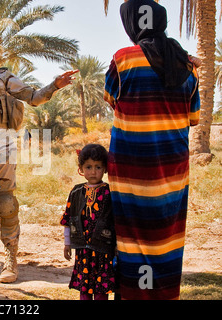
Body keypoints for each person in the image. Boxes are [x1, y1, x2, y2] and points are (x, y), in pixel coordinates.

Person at [0, 19, 79, 283]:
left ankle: (10, 260)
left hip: (2, 144)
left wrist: (54, 85)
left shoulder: (2, 76)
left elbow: (34, 97)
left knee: (6, 203)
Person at [104, 0, 200, 300]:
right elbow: (194, 118)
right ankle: (163, 293)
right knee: (166, 234)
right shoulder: (187, 65)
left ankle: (133, 293)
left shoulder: (123, 59)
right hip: (171, 169)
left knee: (131, 235)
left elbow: (112, 98)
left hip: (131, 167)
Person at [60, 144, 116, 300]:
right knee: (84, 289)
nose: (93, 171)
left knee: (101, 290)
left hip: (103, 250)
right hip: (82, 250)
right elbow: (69, 219)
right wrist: (67, 243)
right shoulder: (76, 192)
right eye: (89, 167)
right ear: (81, 169)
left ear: (105, 168)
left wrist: (117, 246)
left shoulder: (109, 192)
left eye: (98, 167)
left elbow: (115, 222)